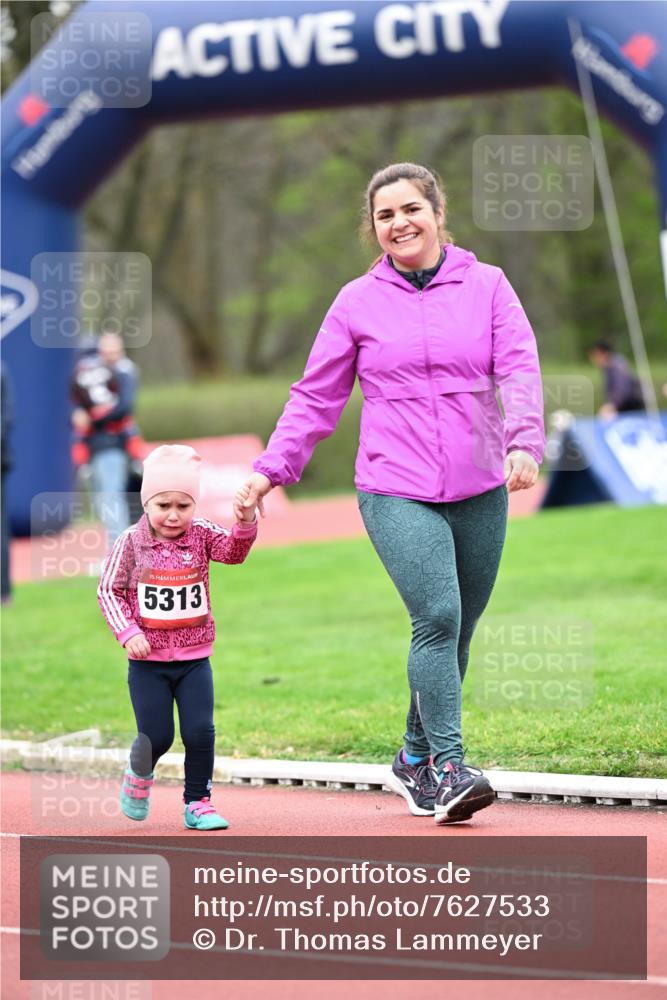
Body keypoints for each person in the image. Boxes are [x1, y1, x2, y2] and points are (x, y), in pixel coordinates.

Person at [238, 163, 545, 826]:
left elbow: (518, 364)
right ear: (372, 228)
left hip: (480, 483)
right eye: (384, 215)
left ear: (436, 213)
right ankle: (449, 768)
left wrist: (524, 440)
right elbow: (316, 394)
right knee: (435, 614)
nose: (399, 223)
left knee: (457, 629)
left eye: (411, 209)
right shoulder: (355, 302)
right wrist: (271, 469)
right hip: (393, 484)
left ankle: (411, 757)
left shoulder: (487, 285)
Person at [97, 444, 258, 830]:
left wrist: (245, 520)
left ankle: (198, 802)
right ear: (147, 504)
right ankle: (139, 774)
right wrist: (128, 632)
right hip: (147, 663)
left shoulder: (201, 535)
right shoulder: (130, 543)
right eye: (163, 505)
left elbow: (234, 552)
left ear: (194, 506)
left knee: (200, 732)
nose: (173, 515)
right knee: (157, 736)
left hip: (194, 659)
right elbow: (108, 590)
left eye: (183, 506)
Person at [71, 331, 142, 546]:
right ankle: (119, 550)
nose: (109, 353)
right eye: (106, 348)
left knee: (112, 496)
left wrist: (91, 419)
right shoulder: (92, 371)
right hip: (93, 445)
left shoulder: (124, 371)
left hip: (115, 444)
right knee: (101, 499)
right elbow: (82, 401)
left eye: (113, 348)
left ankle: (121, 553)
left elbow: (124, 407)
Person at [587, 340, 645, 418]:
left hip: (632, 408)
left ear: (603, 353)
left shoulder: (616, 366)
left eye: (595, 355)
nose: (593, 358)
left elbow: (622, 388)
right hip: (626, 407)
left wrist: (611, 406)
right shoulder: (609, 366)